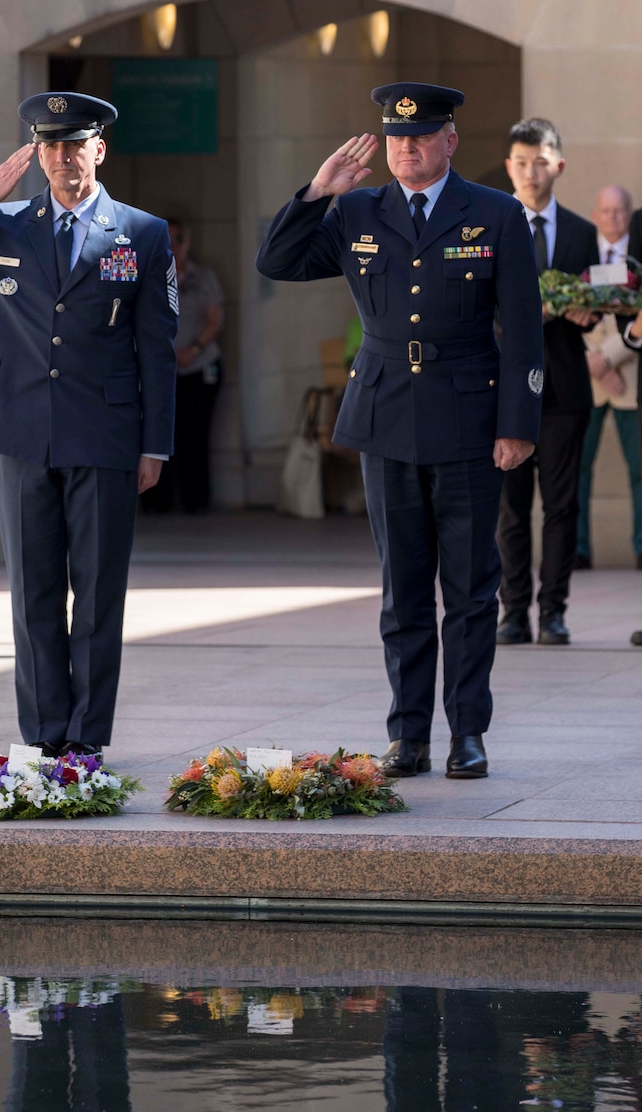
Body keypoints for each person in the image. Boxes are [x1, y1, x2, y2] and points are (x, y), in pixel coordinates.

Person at [256, 82, 543, 780]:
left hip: (470, 417)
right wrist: (316, 193)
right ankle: (409, 734)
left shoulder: (496, 214)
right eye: (395, 137)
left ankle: (467, 732)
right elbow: (277, 261)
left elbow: (524, 330)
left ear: (449, 141)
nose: (406, 147)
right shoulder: (357, 210)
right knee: (403, 588)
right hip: (386, 415)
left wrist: (519, 424)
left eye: (420, 136)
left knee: (472, 590)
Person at [0, 91, 178, 758]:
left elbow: (158, 347)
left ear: (99, 149)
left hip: (107, 433)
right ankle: (43, 736)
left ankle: (86, 740)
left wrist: (156, 445)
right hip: (20, 429)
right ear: (38, 155)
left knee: (96, 595)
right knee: (33, 594)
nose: (62, 157)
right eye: (50, 146)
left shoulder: (141, 231)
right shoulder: (1, 223)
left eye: (74, 144)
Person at [496, 118, 599, 646]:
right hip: (506, 389)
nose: (530, 172)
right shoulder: (488, 222)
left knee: (562, 506)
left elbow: (600, 297)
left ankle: (553, 612)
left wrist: (588, 314)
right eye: (520, 162)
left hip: (564, 388)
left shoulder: (583, 233)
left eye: (540, 162)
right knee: (510, 508)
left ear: (557, 164)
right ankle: (513, 612)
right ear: (509, 165)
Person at [576, 185, 642, 570]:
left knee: (639, 469)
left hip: (630, 377)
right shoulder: (583, 251)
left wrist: (611, 358)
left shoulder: (638, 256)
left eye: (620, 212)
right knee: (578, 466)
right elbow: (571, 307)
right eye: (606, 211)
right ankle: (578, 549)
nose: (613, 218)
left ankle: (640, 548)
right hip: (587, 378)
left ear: (630, 214)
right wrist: (594, 362)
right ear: (596, 214)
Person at [143, 218, 224, 513]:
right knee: (160, 433)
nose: (172, 246)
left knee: (195, 433)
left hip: (199, 364)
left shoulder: (203, 277)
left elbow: (215, 319)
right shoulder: (146, 273)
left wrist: (195, 348)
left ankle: (196, 499)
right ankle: (156, 500)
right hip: (159, 369)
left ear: (188, 243)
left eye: (178, 239)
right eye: (166, 239)